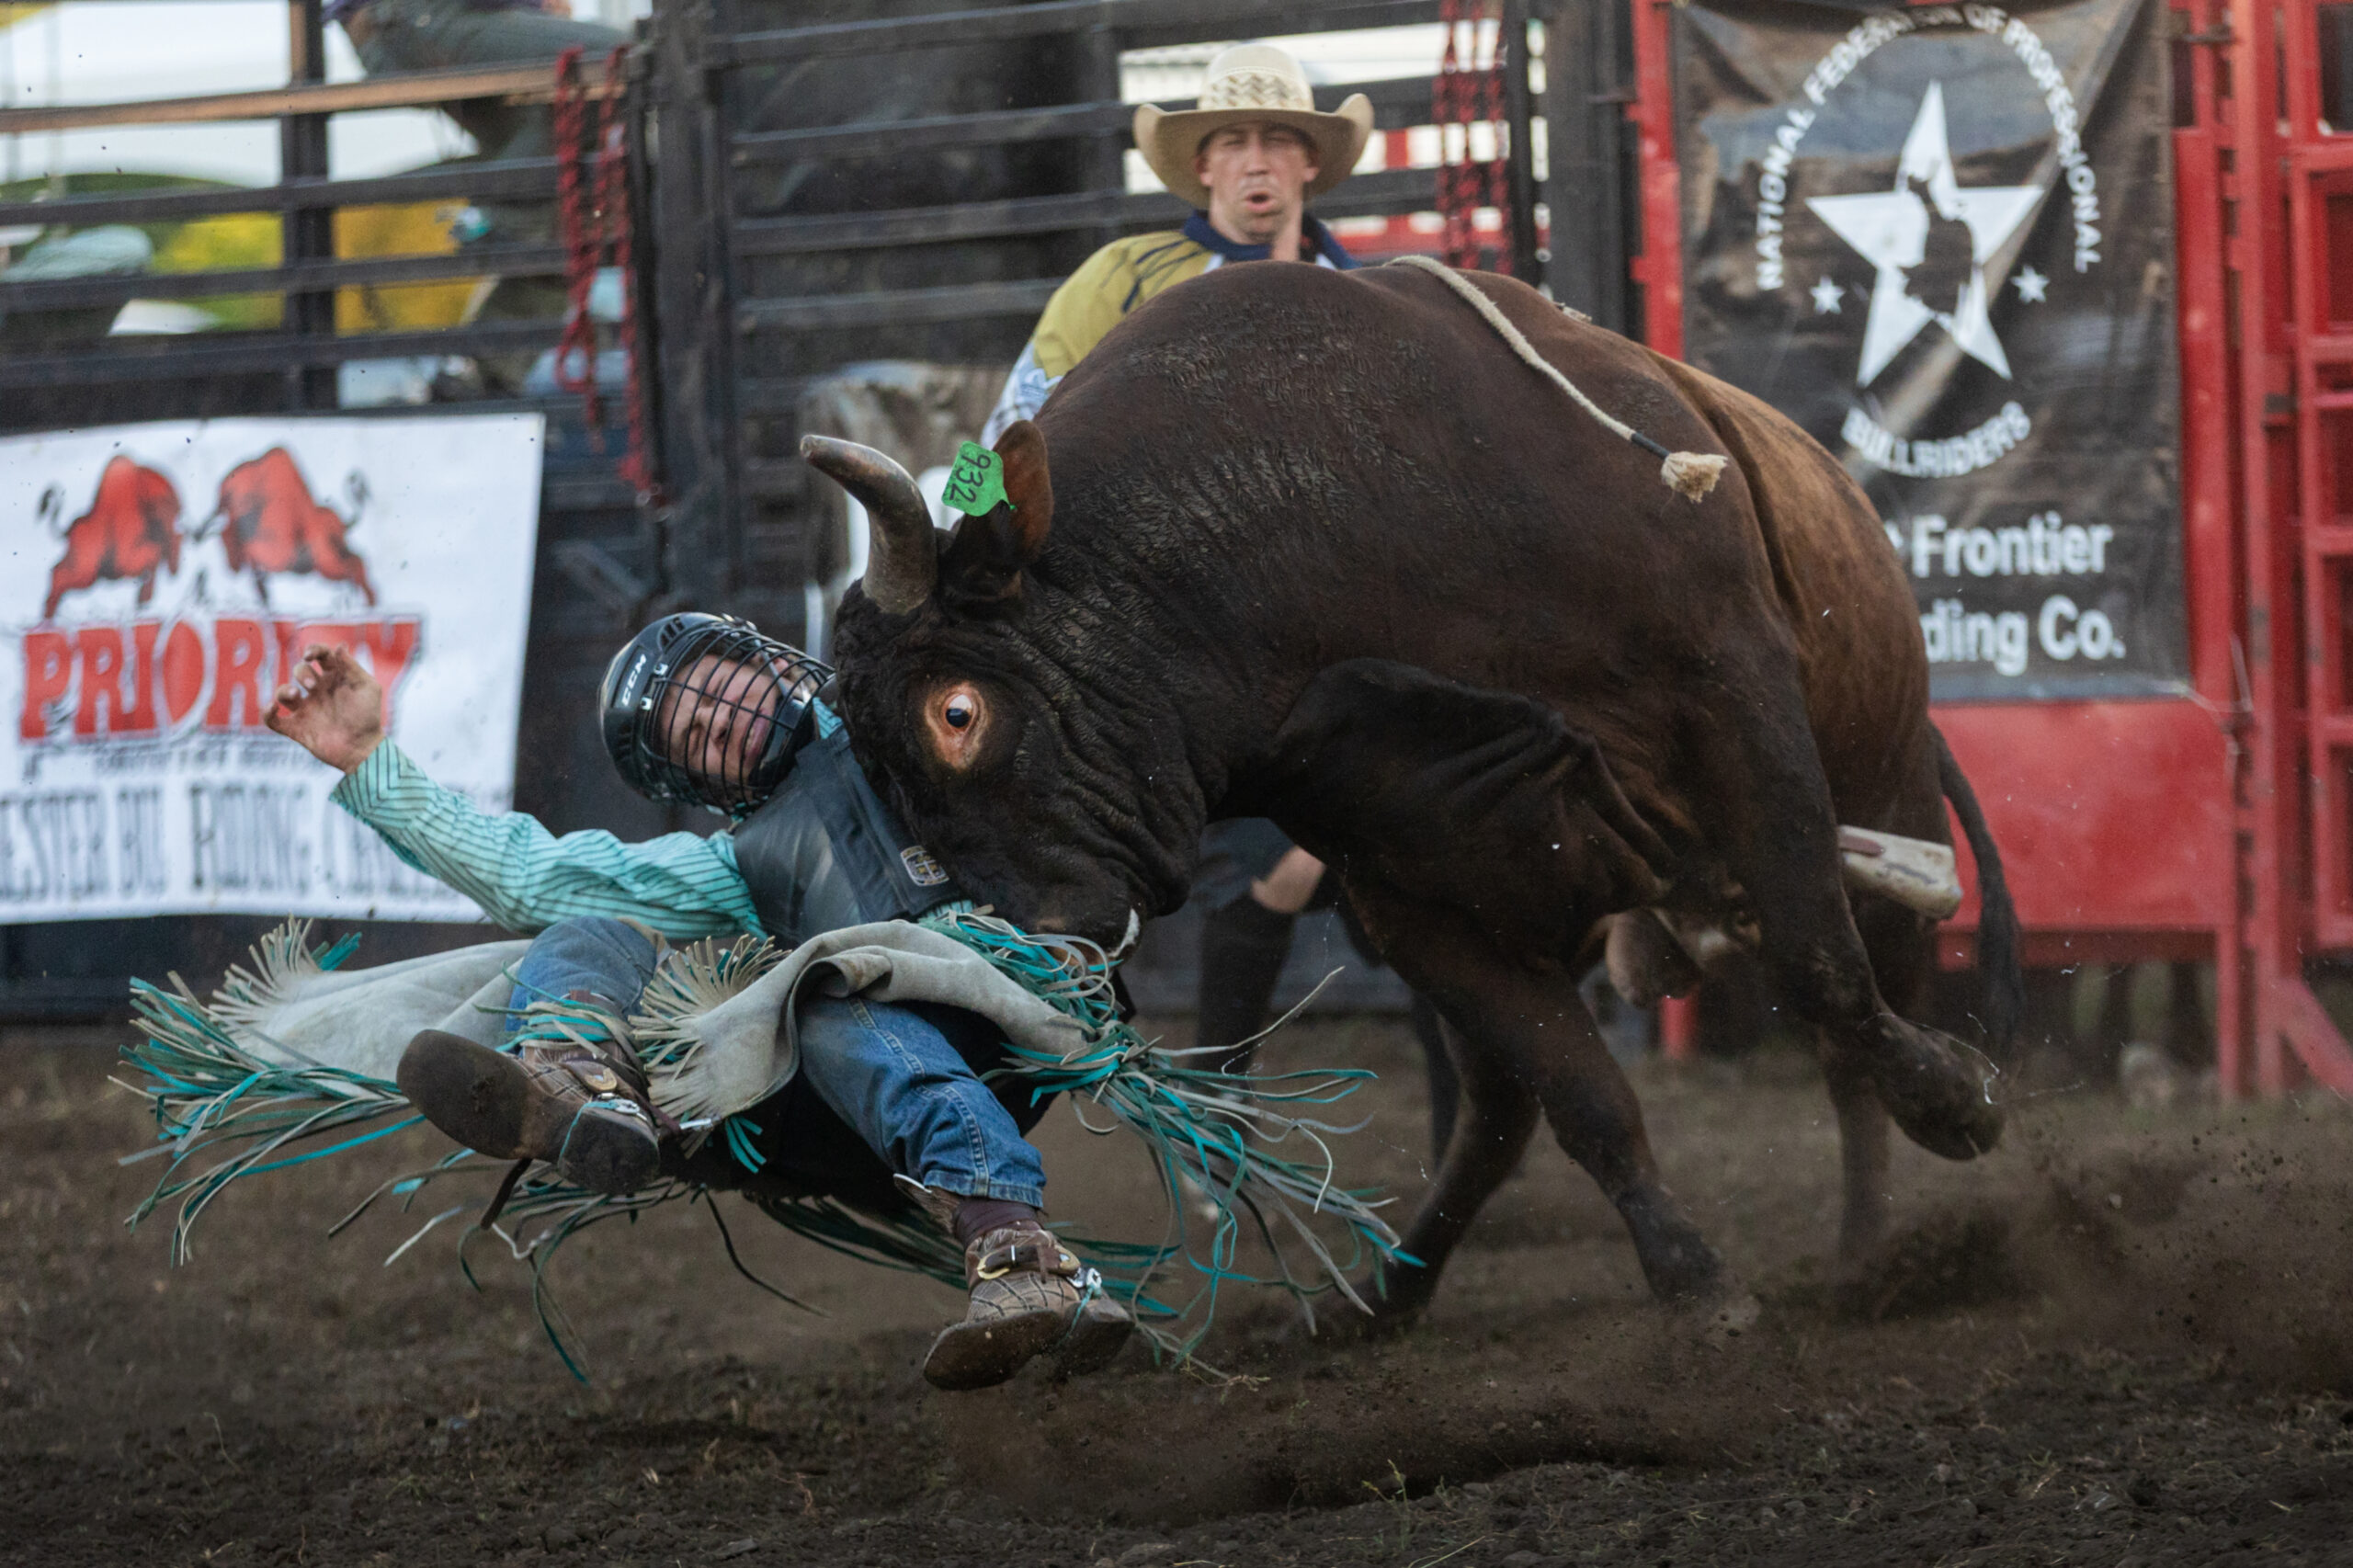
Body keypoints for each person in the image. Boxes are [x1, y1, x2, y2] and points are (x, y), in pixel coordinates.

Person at [265, 612, 1131, 1390]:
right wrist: (371, 762)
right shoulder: (733, 864)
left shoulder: (914, 699)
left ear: (759, 659)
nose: (717, 719)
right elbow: (529, 879)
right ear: (696, 784)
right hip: (865, 1086)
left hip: (1019, 1016)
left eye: (715, 689)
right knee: (593, 930)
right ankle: (581, 1084)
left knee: (817, 987)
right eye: (695, 736)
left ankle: (1020, 1251)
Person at [983, 44, 1456, 1148]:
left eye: (1277, 141)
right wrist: (963, 529)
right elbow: (1013, 420)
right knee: (1298, 862)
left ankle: (1444, 1138)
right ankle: (1225, 1122)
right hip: (1173, 635)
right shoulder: (1124, 278)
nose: (1256, 163)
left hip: (1346, 635)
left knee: (1414, 871)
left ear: (1308, 166)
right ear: (1200, 169)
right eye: (1233, 143)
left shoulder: (1374, 303)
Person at [329, 0, 629, 392]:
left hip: (410, 23)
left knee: (568, 201)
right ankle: (503, 220)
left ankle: (480, 374)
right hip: (414, 18)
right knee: (620, 59)